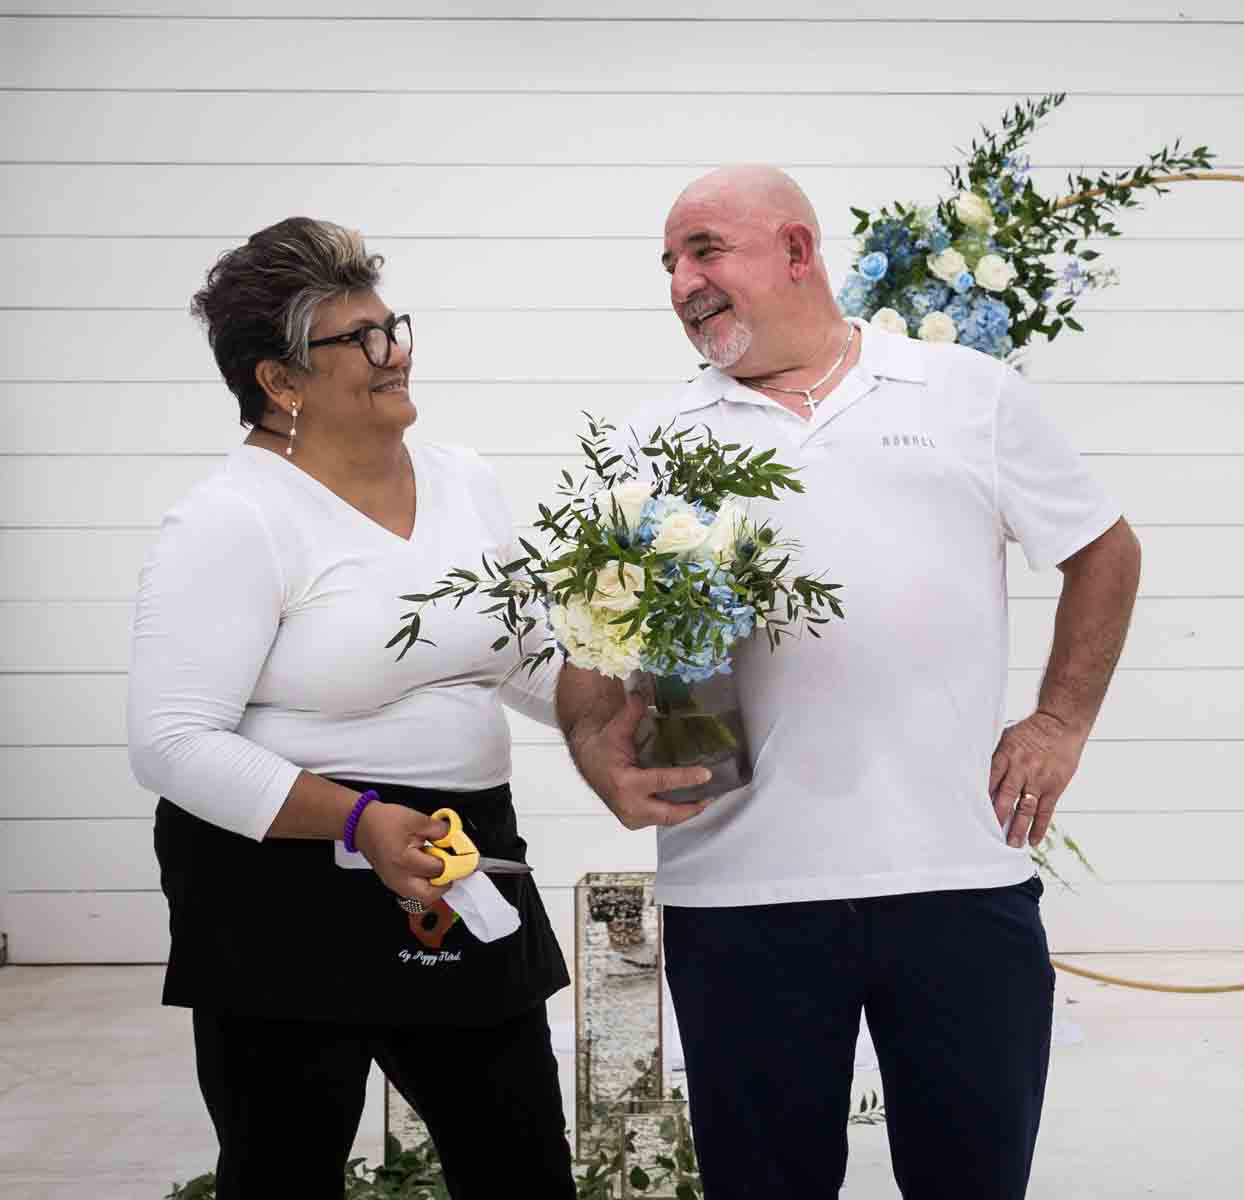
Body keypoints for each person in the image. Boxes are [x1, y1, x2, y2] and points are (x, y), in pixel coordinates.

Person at [555, 166, 1142, 1198]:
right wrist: (597, 749)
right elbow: (589, 644)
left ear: (796, 250)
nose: (683, 281)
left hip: (959, 878)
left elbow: (1103, 550)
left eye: (703, 250)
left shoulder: (966, 394)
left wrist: (1059, 721)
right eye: (669, 264)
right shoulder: (653, 440)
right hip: (741, 892)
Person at [127, 217, 575, 1198]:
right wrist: (362, 821)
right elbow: (170, 743)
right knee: (283, 1169)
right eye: (360, 339)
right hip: (282, 880)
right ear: (278, 380)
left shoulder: (465, 481)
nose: (395, 352)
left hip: (459, 850)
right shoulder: (233, 519)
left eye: (394, 325)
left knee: (523, 1163)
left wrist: (612, 701)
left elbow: (525, 656)